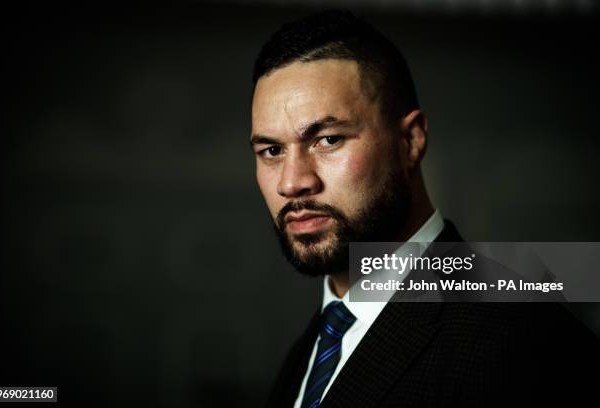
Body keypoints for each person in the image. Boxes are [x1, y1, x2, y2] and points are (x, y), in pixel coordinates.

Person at [249, 10, 598, 408]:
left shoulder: (522, 344)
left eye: (328, 140)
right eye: (272, 150)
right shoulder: (313, 347)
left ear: (411, 141)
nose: (292, 182)